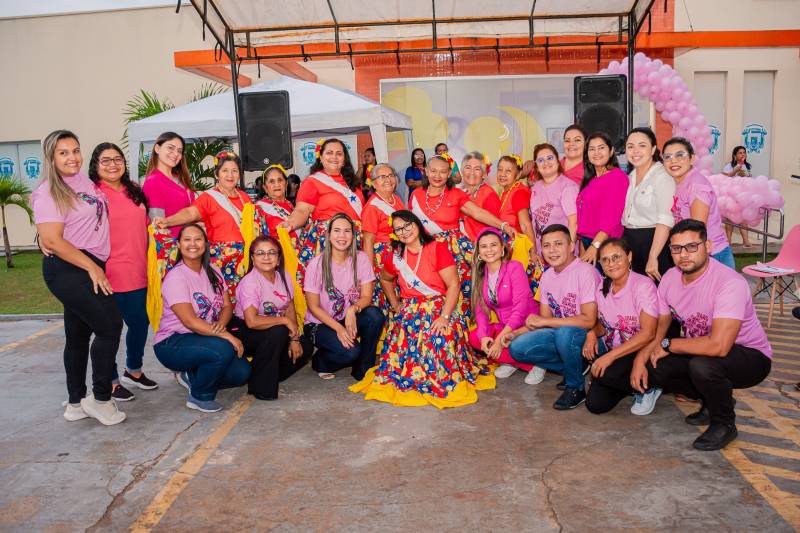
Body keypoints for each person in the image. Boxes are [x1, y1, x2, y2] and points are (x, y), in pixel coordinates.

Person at [638, 219, 772, 450]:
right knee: (655, 368)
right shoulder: (670, 278)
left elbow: (719, 346)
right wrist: (645, 355)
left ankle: (724, 423)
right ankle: (714, 400)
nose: (684, 254)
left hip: (750, 356)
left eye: (692, 246)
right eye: (676, 248)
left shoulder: (729, 283)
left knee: (703, 366)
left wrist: (669, 344)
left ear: (708, 246)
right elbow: (662, 323)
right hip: (702, 349)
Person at [350, 210, 494, 408]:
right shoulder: (395, 257)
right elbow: (384, 278)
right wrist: (394, 303)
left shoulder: (437, 248)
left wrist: (444, 317)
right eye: (398, 229)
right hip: (409, 310)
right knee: (402, 347)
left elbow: (453, 285)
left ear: (417, 224)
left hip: (440, 307)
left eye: (407, 225)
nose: (404, 231)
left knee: (439, 339)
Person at [33, 130, 125, 425]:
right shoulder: (48, 191)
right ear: (51, 158)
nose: (72, 157)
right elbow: (53, 240)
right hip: (70, 267)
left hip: (87, 262)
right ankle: (100, 399)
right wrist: (92, 267)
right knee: (110, 326)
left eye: (75, 150)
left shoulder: (84, 182)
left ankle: (75, 403)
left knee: (77, 335)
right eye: (63, 152)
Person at [152, 224, 250, 413]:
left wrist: (221, 325)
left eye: (198, 239)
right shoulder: (176, 277)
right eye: (187, 240)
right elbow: (190, 321)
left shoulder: (213, 269)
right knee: (223, 348)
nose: (193, 244)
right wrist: (227, 336)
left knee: (241, 373)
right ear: (178, 245)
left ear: (206, 244)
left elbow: (228, 306)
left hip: (205, 336)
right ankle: (200, 395)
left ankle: (193, 376)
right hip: (173, 342)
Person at [88, 143, 157, 402]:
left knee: (140, 323)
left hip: (138, 271)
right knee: (110, 330)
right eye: (105, 160)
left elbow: (147, 225)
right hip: (108, 274)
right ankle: (112, 380)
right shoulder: (92, 193)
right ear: (95, 164)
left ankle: (134, 370)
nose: (113, 164)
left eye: (117, 159)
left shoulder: (135, 190)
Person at [508, 224, 601, 410]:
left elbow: (589, 320)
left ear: (571, 245)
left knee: (565, 333)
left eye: (558, 244)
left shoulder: (585, 272)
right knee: (517, 348)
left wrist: (545, 322)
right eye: (547, 245)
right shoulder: (547, 275)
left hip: (593, 338)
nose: (552, 250)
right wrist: (516, 332)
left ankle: (576, 388)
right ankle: (575, 366)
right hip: (562, 336)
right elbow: (544, 319)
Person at [409, 155, 515, 315]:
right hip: (427, 250)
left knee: (463, 288)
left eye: (443, 172)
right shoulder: (415, 195)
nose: (437, 176)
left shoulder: (456, 193)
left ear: (449, 173)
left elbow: (477, 212)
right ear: (426, 171)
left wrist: (503, 225)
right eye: (433, 171)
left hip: (453, 251)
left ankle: (464, 326)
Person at [153, 151, 255, 300]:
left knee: (245, 302)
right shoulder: (209, 197)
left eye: (234, 171)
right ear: (216, 174)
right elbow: (190, 213)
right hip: (223, 262)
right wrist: (168, 221)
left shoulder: (245, 198)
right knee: (225, 304)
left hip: (246, 261)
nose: (230, 175)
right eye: (225, 171)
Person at [303, 213, 385, 381]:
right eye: (337, 231)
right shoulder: (316, 264)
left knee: (374, 316)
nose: (342, 236)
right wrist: (339, 329)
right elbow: (314, 307)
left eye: (347, 231)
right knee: (350, 353)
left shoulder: (361, 259)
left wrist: (352, 310)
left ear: (353, 235)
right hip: (320, 323)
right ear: (329, 235)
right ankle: (321, 361)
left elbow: (367, 296)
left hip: (345, 317)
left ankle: (363, 369)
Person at [583, 239, 661, 416]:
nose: (611, 264)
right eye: (605, 260)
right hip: (619, 352)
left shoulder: (642, 285)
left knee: (606, 373)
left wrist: (608, 357)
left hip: (643, 350)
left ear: (629, 257)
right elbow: (604, 325)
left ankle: (649, 387)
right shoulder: (602, 288)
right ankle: (631, 385)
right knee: (595, 405)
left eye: (617, 257)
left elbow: (649, 332)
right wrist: (591, 334)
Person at [230, 236, 311, 400]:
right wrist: (285, 322)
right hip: (243, 330)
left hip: (272, 329)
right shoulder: (250, 283)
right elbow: (251, 321)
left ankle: (262, 372)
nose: (266, 257)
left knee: (306, 346)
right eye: (260, 253)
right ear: (252, 257)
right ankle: (261, 387)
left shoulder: (284, 275)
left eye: (271, 253)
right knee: (279, 331)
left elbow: (289, 307)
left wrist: (294, 339)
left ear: (279, 257)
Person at [280, 138, 365, 286]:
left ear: (344, 159)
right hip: (328, 240)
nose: (334, 157)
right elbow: (302, 210)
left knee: (354, 284)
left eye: (339, 153)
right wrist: (290, 223)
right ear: (321, 157)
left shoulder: (354, 184)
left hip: (354, 239)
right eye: (329, 153)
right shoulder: (312, 182)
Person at [469, 228, 543, 383]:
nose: (489, 250)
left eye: (494, 245)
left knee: (506, 341)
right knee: (475, 337)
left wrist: (499, 340)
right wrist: (483, 337)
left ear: (502, 249)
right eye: (484, 246)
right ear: (479, 253)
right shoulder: (480, 275)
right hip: (506, 326)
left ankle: (537, 365)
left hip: (527, 325)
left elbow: (520, 310)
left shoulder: (514, 267)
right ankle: (513, 361)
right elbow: (481, 311)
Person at [663, 137, 735, 270]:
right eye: (667, 156)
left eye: (680, 155)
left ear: (692, 159)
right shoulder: (678, 183)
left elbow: (697, 229)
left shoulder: (697, 186)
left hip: (711, 256)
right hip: (691, 253)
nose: (673, 160)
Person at [622, 127, 675, 281]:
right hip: (630, 241)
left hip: (654, 242)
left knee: (656, 293)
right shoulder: (630, 177)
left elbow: (665, 220)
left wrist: (653, 257)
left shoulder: (662, 176)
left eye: (642, 145)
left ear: (652, 149)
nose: (635, 151)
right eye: (630, 146)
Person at [576, 132, 629, 267]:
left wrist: (595, 246)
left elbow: (611, 218)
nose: (596, 152)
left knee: (607, 286)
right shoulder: (591, 180)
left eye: (601, 148)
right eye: (592, 149)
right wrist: (584, 248)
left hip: (605, 243)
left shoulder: (617, 177)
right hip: (588, 243)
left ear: (611, 151)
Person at [361, 163, 405, 313]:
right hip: (382, 257)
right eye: (382, 177)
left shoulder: (396, 199)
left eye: (391, 175)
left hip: (398, 252)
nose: (388, 179)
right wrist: (369, 270)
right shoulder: (372, 207)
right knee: (386, 297)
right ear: (373, 183)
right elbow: (368, 240)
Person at [141, 132, 196, 237]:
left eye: (179, 151)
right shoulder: (153, 182)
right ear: (157, 148)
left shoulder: (181, 179)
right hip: (172, 248)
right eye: (170, 148)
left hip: (191, 244)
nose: (175, 154)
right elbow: (157, 226)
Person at [529, 144, 578, 248]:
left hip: (562, 252)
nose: (546, 163)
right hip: (541, 252)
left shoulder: (568, 187)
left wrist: (569, 247)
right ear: (536, 166)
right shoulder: (536, 187)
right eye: (541, 160)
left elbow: (574, 223)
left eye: (550, 158)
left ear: (557, 160)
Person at [496, 154, 537, 249]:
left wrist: (533, 251)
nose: (502, 174)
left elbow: (525, 225)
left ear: (518, 175)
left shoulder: (518, 193)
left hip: (517, 247)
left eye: (508, 171)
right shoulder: (506, 191)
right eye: (500, 169)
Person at [458, 151, 500, 242]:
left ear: (484, 174)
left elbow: (494, 229)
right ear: (462, 171)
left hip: (480, 248)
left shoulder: (489, 194)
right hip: (460, 246)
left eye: (477, 169)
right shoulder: (459, 193)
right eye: (468, 168)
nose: (472, 172)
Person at [723, 145, 754, 248]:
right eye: (740, 153)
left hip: (743, 196)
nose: (742, 155)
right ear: (734, 155)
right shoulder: (729, 166)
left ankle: (745, 240)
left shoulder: (748, 166)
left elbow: (751, 181)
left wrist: (747, 177)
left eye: (744, 153)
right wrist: (735, 171)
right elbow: (724, 177)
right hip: (731, 195)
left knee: (744, 219)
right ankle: (728, 241)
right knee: (730, 219)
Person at [255, 164, 296, 242]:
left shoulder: (291, 205)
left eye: (280, 180)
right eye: (271, 181)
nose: (277, 185)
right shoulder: (259, 208)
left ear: (286, 184)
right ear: (265, 187)